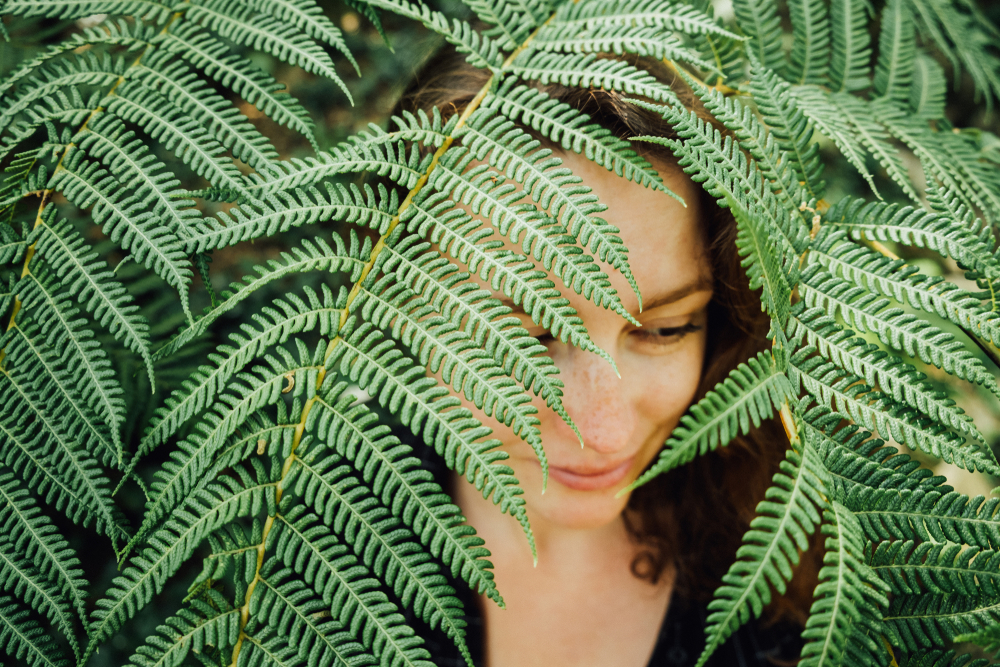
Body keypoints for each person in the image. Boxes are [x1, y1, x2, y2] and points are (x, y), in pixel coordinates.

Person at [392, 45, 816, 667]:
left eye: (667, 329)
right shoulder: (292, 528)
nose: (604, 430)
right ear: (401, 302)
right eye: (526, 338)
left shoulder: (806, 578)